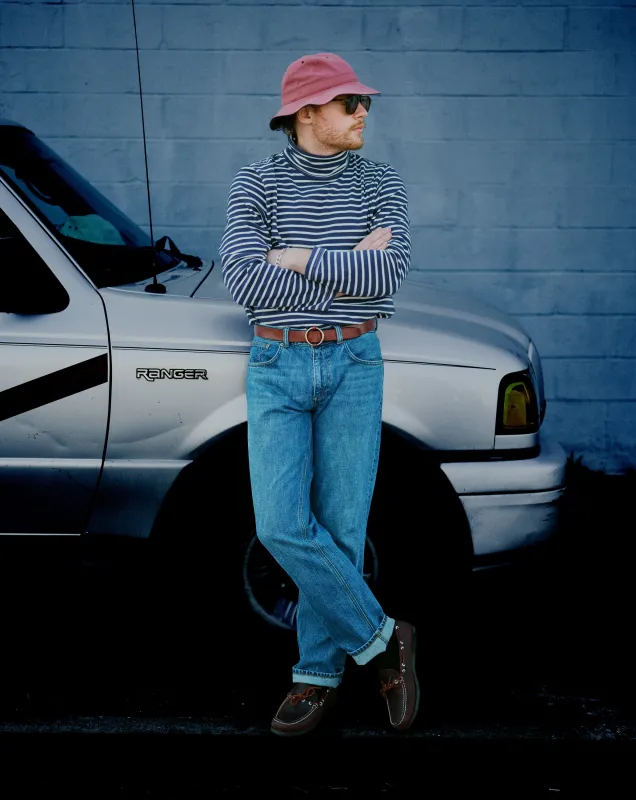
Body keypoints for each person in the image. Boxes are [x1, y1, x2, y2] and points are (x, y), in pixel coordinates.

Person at [219, 52, 418, 736]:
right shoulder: (256, 182)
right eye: (349, 102)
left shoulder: (380, 181)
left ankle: (317, 676)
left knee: (342, 528)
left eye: (365, 102)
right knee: (279, 525)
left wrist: (299, 257)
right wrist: (350, 262)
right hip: (276, 361)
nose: (364, 112)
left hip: (355, 361)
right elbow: (244, 280)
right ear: (307, 113)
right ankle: (383, 640)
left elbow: (386, 278)